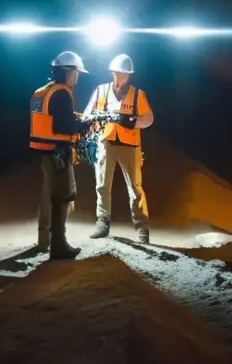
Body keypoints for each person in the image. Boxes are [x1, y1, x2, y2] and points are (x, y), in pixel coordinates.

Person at [29, 50, 95, 260]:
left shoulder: (43, 91)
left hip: (44, 151)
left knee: (49, 194)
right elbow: (63, 125)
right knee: (63, 195)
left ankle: (44, 240)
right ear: (69, 71)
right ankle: (59, 245)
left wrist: (79, 117)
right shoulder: (62, 92)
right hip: (58, 152)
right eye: (77, 73)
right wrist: (85, 124)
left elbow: (52, 117)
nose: (77, 78)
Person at [83, 53, 155, 243]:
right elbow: (86, 114)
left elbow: (148, 119)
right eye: (116, 73)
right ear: (112, 72)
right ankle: (102, 223)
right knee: (102, 185)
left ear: (128, 75)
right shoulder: (101, 91)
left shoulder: (138, 94)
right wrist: (96, 119)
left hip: (130, 145)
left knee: (135, 187)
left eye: (122, 74)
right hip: (106, 142)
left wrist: (130, 121)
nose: (118, 77)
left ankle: (142, 229)